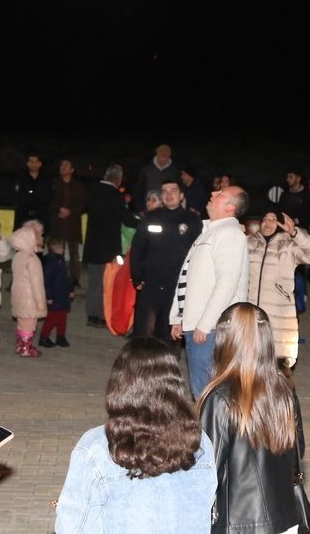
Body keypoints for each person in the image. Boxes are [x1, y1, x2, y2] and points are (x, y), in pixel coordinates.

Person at [55, 337, 217, 533]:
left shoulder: (95, 448)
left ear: (119, 387)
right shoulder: (199, 443)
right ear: (174, 387)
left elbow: (72, 527)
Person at [198, 303, 310, 534]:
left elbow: (208, 470)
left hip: (238, 522)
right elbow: (297, 452)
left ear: (224, 340)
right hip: (286, 517)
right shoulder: (282, 389)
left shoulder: (219, 398)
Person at [170, 186, 250, 399]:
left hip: (212, 329)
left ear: (230, 207)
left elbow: (227, 283)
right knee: (202, 390)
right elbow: (190, 277)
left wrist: (206, 323)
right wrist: (179, 316)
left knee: (209, 393)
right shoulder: (211, 231)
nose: (213, 194)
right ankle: (209, 430)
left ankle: (213, 432)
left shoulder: (230, 234)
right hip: (198, 325)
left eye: (220, 194)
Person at [129, 180, 201, 346]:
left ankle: (167, 367)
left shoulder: (192, 220)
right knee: (144, 330)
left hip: (177, 285)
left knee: (170, 332)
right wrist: (137, 276)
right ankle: (142, 366)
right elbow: (138, 247)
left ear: (181, 195)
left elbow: (198, 253)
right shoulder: (152, 217)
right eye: (165, 191)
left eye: (173, 190)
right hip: (152, 281)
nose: (168, 195)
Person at [246, 212, 310, 369]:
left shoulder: (288, 245)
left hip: (278, 314)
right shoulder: (250, 243)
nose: (268, 223)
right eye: (265, 219)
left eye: (273, 220)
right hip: (251, 314)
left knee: (277, 365)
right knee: (250, 364)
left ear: (280, 224)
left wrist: (294, 233)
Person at [83, 165, 138, 329]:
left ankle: (91, 315)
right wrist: (143, 222)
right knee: (105, 283)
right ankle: (101, 316)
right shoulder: (115, 195)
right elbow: (127, 219)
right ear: (119, 179)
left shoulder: (93, 190)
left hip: (92, 244)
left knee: (93, 282)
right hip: (107, 247)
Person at [10, 221, 47, 358]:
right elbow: (36, 284)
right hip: (30, 299)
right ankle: (26, 347)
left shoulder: (18, 257)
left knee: (22, 322)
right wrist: (40, 303)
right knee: (30, 324)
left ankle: (20, 345)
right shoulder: (32, 259)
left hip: (19, 296)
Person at [51, 159, 87, 287]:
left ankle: (75, 278)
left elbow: (82, 204)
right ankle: (54, 275)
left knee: (74, 254)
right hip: (57, 221)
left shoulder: (78, 186)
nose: (63, 167)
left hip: (73, 223)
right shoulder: (54, 183)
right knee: (55, 250)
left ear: (72, 170)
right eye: (62, 165)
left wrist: (70, 211)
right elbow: (49, 200)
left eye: (66, 165)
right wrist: (59, 209)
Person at [40, 237, 74, 348]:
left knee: (62, 318)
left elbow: (66, 278)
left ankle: (61, 336)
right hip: (55, 295)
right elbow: (47, 281)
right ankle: (44, 337)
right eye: (61, 247)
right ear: (57, 248)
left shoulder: (60, 261)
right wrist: (48, 296)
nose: (63, 249)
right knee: (52, 318)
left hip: (62, 295)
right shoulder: (51, 263)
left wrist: (70, 289)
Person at [14, 153, 54, 232]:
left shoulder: (46, 180)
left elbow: (49, 197)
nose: (33, 164)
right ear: (28, 164)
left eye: (36, 162)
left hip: (41, 216)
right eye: (31, 161)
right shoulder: (21, 179)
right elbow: (18, 197)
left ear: (40, 164)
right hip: (24, 216)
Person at [133, 144, 178, 213]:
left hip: (167, 210)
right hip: (149, 209)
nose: (165, 159)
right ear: (157, 155)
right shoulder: (147, 170)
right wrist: (140, 210)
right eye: (163, 156)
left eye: (168, 157)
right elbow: (140, 190)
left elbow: (178, 191)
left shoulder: (174, 171)